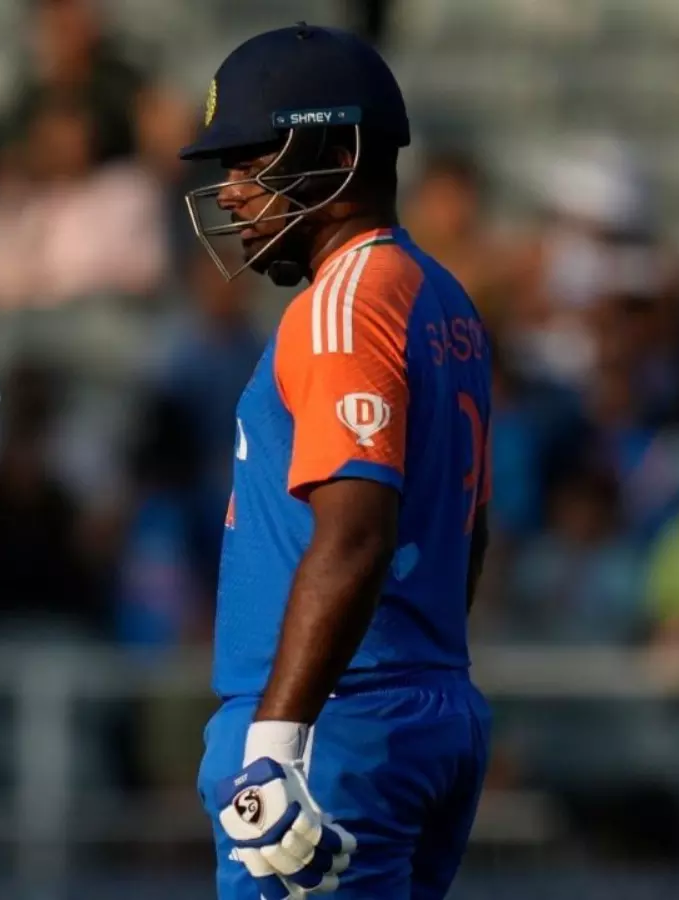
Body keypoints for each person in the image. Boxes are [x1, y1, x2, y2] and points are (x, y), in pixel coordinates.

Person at [178, 24, 494, 899]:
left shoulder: (346, 302)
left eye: (252, 161)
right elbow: (469, 536)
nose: (232, 191)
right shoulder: (441, 295)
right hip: (422, 702)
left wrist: (279, 742)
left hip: (336, 721)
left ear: (337, 153)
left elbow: (355, 533)